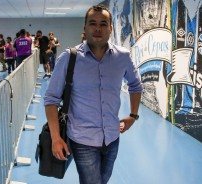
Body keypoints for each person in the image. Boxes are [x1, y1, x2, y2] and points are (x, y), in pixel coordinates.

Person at [44, 4, 143, 184]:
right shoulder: (69, 58)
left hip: (112, 137)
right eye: (92, 23)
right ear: (85, 27)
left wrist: (133, 115)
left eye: (104, 24)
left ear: (111, 28)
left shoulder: (122, 57)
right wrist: (55, 137)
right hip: (82, 140)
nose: (98, 29)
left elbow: (135, 85)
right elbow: (51, 100)